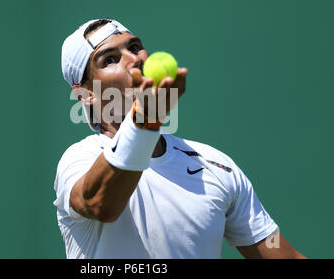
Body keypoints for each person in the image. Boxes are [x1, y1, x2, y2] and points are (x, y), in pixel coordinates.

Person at [53, 18, 306, 259]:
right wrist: (146, 118)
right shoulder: (79, 159)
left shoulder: (216, 166)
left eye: (134, 47)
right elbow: (100, 205)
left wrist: (147, 118)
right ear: (86, 95)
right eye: (110, 59)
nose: (134, 59)